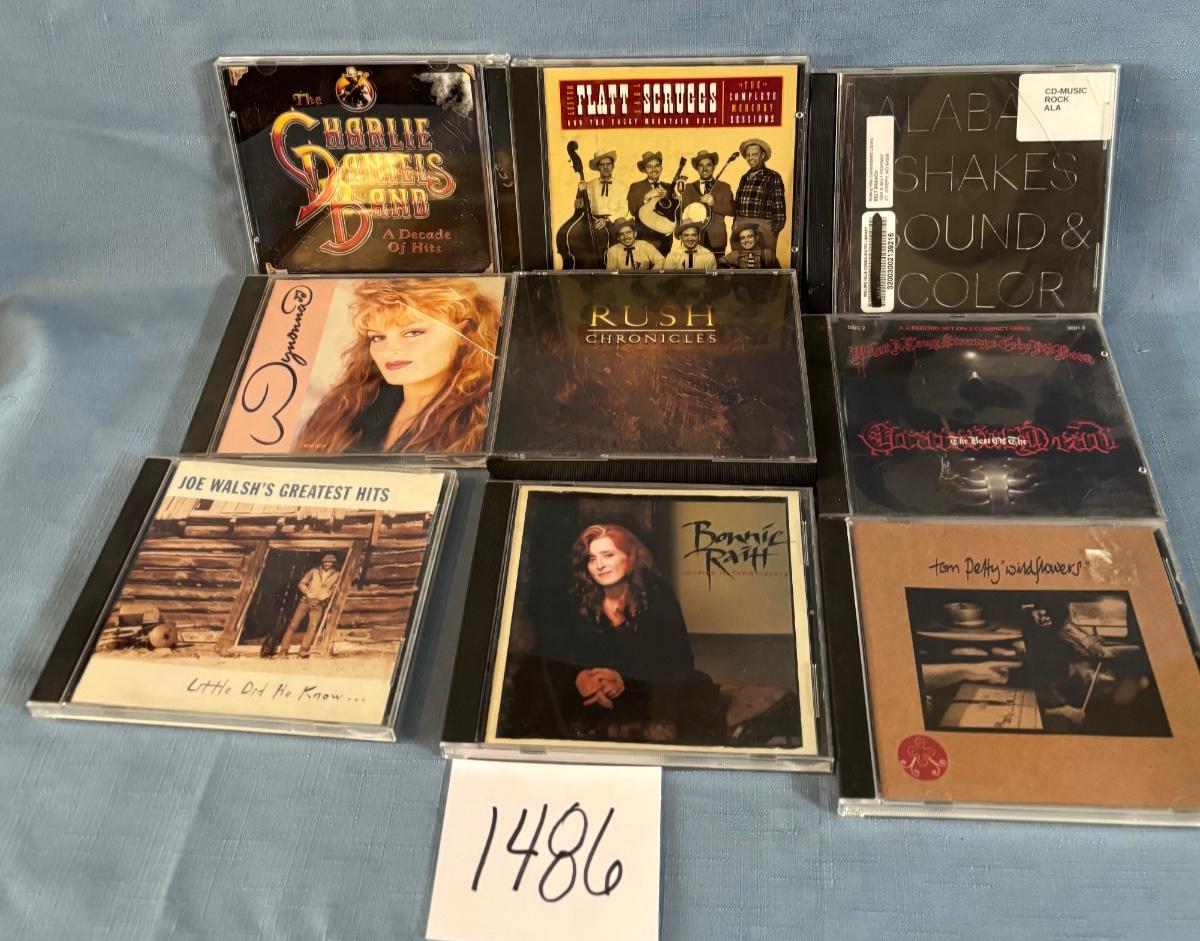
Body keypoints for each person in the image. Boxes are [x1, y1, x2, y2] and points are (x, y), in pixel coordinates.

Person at [509, 523, 720, 743]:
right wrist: (580, 678)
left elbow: (680, 661)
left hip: (640, 691)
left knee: (697, 682)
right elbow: (558, 654)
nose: (599, 565)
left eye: (608, 555)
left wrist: (622, 680)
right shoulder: (577, 599)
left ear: (630, 556)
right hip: (588, 694)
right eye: (591, 559)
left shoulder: (658, 597)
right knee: (533, 673)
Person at [295, 278, 499, 454]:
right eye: (378, 337)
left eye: (413, 333)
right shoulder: (351, 404)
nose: (388, 350)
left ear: (465, 333)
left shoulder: (486, 417)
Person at [272, 554, 341, 659]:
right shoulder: (314, 571)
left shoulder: (337, 574)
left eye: (330, 562)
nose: (327, 564)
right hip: (305, 601)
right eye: (325, 562)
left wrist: (326, 595)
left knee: (312, 627)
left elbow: (335, 589)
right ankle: (283, 651)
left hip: (319, 604)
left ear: (333, 563)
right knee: (293, 625)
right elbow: (302, 583)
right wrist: (308, 593)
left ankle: (303, 651)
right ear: (322, 562)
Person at [731, 138, 787, 255]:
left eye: (754, 154)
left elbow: (779, 212)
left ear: (762, 155)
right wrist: (735, 226)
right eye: (748, 155)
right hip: (741, 227)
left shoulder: (773, 177)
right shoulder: (744, 178)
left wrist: (772, 232)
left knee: (763, 262)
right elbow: (737, 207)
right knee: (741, 261)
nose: (750, 158)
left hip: (763, 229)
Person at [680, 150, 733, 252]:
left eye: (708, 165)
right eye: (701, 165)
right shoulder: (688, 188)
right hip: (693, 240)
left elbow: (733, 210)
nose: (705, 169)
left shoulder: (724, 187)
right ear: (697, 168)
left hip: (716, 239)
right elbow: (681, 213)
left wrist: (714, 204)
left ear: (714, 167)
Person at [627, 151, 676, 254]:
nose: (654, 169)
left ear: (661, 168)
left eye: (657, 166)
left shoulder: (668, 187)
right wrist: (647, 197)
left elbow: (675, 212)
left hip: (665, 239)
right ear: (644, 169)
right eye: (649, 167)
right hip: (645, 238)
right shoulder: (636, 186)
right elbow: (633, 210)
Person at [577, 149, 624, 227]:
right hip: (594, 223)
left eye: (608, 164)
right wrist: (579, 193)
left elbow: (624, 209)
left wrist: (608, 220)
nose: (605, 167)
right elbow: (578, 208)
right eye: (602, 165)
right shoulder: (589, 185)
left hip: (615, 223)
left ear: (613, 166)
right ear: (598, 167)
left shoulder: (621, 186)